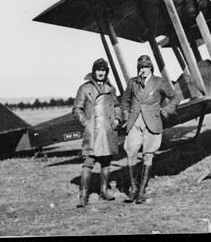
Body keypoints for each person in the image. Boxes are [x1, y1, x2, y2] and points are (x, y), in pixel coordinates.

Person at [121, 55, 180, 204]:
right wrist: (126, 116)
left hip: (152, 123)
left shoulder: (159, 82)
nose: (143, 70)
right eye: (140, 67)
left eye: (146, 67)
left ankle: (142, 191)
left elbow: (175, 98)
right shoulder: (132, 83)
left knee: (148, 155)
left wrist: (166, 111)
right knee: (131, 152)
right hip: (135, 122)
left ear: (151, 68)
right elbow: (125, 101)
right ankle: (133, 188)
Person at [73, 58, 121, 208]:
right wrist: (87, 124)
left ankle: (104, 191)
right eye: (98, 70)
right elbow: (77, 109)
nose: (100, 73)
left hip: (107, 131)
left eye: (103, 70)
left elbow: (117, 106)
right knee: (88, 163)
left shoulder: (110, 89)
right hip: (93, 131)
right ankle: (84, 195)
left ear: (106, 72)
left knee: (106, 162)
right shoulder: (84, 88)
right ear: (93, 71)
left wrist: (117, 120)